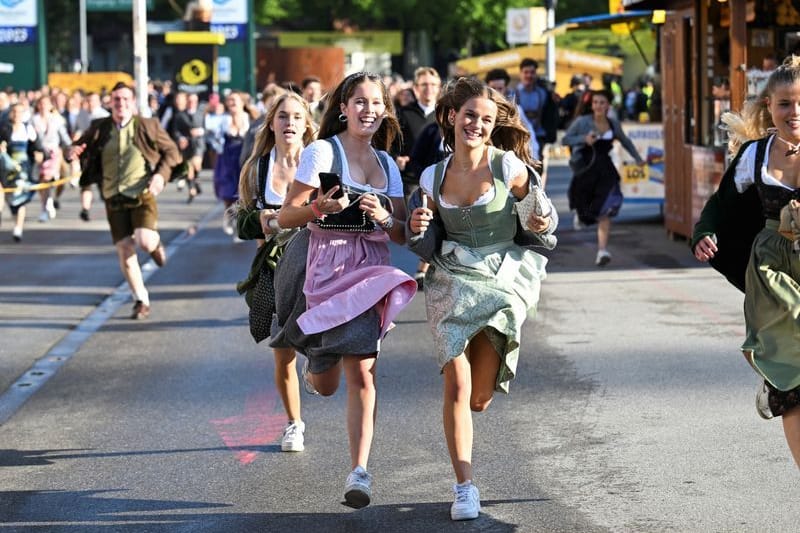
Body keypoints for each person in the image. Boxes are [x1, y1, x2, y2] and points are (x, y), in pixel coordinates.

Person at [407, 77, 556, 521]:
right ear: (452, 116)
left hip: (500, 277)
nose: (476, 124)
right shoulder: (433, 176)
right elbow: (424, 236)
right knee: (456, 384)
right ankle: (464, 487)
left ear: (494, 126)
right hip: (452, 279)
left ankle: (477, 406)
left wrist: (538, 209)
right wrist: (417, 224)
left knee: (480, 398)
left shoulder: (507, 167)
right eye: (469, 115)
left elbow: (540, 223)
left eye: (486, 119)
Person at [272, 71, 416, 508]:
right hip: (326, 269)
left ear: (385, 111)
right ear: (343, 107)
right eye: (360, 102)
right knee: (328, 383)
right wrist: (320, 206)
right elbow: (286, 216)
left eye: (376, 103)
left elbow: (401, 236)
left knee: (364, 374)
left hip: (370, 272)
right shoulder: (320, 151)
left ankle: (360, 472)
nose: (368, 110)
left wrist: (385, 216)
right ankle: (315, 364)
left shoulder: (388, 164)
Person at [692, 56, 800, 468]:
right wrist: (705, 234)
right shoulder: (755, 156)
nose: (794, 112)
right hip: (773, 267)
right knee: (793, 382)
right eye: (785, 103)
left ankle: (773, 366)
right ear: (769, 107)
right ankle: (776, 372)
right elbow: (719, 207)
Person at [235, 92, 316, 452]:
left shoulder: (320, 164)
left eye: (297, 117)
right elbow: (241, 220)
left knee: (321, 348)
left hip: (317, 263)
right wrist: (266, 220)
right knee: (282, 351)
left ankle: (317, 371)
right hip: (273, 268)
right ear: (272, 123)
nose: (290, 124)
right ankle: (294, 423)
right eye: (283, 117)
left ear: (307, 125)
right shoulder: (257, 169)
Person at [69, 82, 182, 319]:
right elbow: (79, 145)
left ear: (133, 102)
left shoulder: (147, 126)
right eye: (116, 99)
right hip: (113, 195)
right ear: (110, 103)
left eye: (124, 99)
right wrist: (73, 151)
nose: (120, 103)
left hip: (142, 193)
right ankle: (141, 300)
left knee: (143, 239)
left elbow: (172, 152)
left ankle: (155, 245)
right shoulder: (100, 127)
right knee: (124, 250)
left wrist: (160, 176)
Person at [562, 89, 644, 266]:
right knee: (584, 206)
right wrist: (584, 139)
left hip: (605, 168)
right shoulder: (582, 122)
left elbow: (625, 141)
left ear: (608, 105)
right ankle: (581, 213)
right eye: (595, 102)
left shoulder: (613, 124)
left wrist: (638, 159)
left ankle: (602, 250)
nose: (598, 106)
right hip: (585, 166)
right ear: (591, 105)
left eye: (602, 102)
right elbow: (565, 139)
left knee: (606, 209)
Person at [0, 103, 44, 242]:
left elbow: (37, 146)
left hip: (23, 168)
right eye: (14, 112)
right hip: (5, 167)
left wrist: (40, 155)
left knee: (20, 198)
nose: (17, 115)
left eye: (20, 112)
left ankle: (18, 228)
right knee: (6, 196)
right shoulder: (4, 128)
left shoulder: (28, 128)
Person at [212, 91, 250, 237]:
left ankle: (239, 221)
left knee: (243, 192)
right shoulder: (223, 120)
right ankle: (229, 215)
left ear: (242, 102)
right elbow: (214, 138)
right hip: (227, 158)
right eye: (229, 100)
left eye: (235, 100)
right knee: (227, 191)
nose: (232, 103)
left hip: (243, 158)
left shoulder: (249, 119)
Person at [514, 58, 559, 181]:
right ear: (521, 73)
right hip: (519, 136)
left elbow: (550, 113)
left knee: (538, 166)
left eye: (532, 72)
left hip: (539, 135)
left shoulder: (543, 93)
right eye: (526, 72)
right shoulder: (514, 93)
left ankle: (537, 190)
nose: (529, 75)